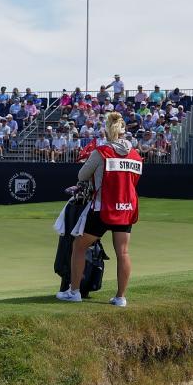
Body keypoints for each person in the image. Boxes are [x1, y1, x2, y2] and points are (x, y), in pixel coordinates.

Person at [59, 111, 141, 307]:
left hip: (103, 208)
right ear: (124, 132)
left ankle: (75, 291)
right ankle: (121, 297)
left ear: (107, 130)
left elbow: (82, 174)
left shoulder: (101, 152)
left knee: (79, 246)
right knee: (123, 252)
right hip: (127, 208)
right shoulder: (136, 155)